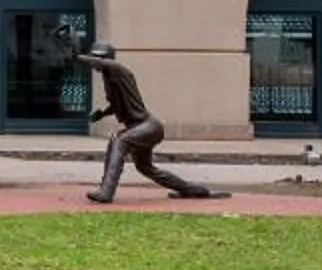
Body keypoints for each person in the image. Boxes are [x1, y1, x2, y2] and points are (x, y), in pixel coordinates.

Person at [71, 39, 224, 203]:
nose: (95, 62)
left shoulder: (118, 70)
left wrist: (77, 56)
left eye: (98, 58)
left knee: (119, 139)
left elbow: (102, 63)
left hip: (148, 126)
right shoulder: (109, 77)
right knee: (145, 168)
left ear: (108, 59)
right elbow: (117, 104)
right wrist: (102, 114)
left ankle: (106, 192)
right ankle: (192, 190)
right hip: (141, 128)